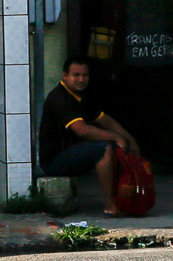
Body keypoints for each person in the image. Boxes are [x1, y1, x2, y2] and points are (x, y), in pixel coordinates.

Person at [37, 57, 140, 217]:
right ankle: (109, 205)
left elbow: (105, 120)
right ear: (64, 75)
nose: (81, 79)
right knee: (104, 148)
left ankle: (127, 197)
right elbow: (82, 130)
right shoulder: (60, 98)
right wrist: (114, 137)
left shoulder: (82, 95)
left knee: (118, 147)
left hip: (73, 152)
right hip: (54, 161)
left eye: (85, 75)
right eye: (76, 75)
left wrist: (128, 139)